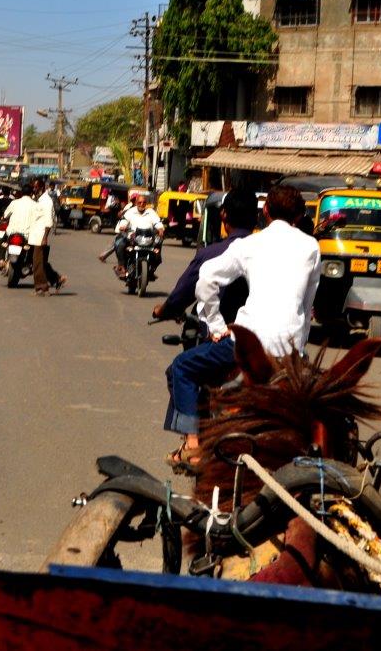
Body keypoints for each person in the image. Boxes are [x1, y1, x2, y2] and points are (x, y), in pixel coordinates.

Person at [161, 186, 321, 471]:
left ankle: (193, 447)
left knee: (181, 368)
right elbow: (307, 308)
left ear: (266, 212)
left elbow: (206, 278)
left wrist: (215, 325)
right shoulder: (311, 247)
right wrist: (300, 349)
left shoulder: (250, 245)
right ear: (298, 216)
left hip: (245, 345)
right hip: (290, 354)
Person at [152, 188, 258, 326]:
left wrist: (163, 310)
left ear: (223, 215)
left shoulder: (210, 254)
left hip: (220, 337)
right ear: (257, 217)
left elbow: (183, 293)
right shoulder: (273, 254)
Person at [103, 192, 165, 279]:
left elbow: (157, 222)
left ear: (146, 203)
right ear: (136, 203)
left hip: (148, 238)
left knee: (158, 246)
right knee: (119, 244)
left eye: (143, 202)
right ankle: (122, 266)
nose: (141, 204)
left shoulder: (151, 212)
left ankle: (152, 269)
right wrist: (123, 226)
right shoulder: (130, 211)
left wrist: (160, 229)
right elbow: (124, 220)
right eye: (139, 202)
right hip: (133, 238)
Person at [28, 179, 67, 295]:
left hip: (40, 237)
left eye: (36, 187)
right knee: (41, 262)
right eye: (33, 187)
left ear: (42, 187)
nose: (34, 189)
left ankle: (41, 287)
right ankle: (57, 279)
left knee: (37, 264)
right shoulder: (38, 200)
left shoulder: (46, 201)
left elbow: (49, 222)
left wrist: (45, 237)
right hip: (34, 236)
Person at [0, 184, 37, 271]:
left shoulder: (14, 202)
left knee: (3, 243)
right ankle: (28, 264)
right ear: (31, 194)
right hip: (27, 235)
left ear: (22, 193)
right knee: (31, 249)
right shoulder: (35, 205)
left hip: (12, 232)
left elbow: (5, 215)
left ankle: (0, 260)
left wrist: (4, 218)